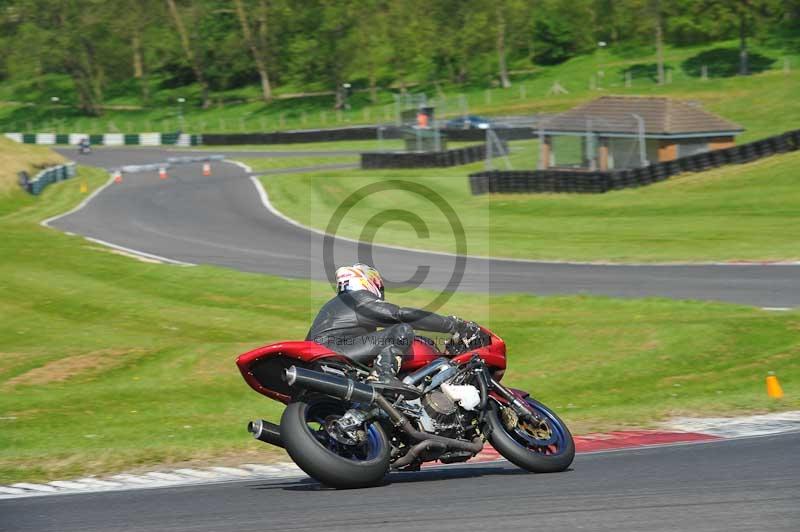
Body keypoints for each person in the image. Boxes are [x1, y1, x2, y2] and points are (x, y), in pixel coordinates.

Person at [306, 263, 475, 387]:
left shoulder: (337, 305)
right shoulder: (357, 297)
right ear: (367, 281)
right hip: (334, 353)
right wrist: (452, 325)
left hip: (322, 360)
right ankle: (382, 374)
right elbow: (399, 314)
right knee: (401, 329)